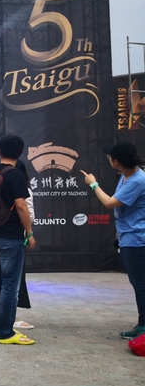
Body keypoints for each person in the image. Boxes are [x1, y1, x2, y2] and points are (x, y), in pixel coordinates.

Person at [81, 142, 145, 339]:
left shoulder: (137, 180)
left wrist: (94, 184)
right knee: (138, 283)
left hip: (137, 239)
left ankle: (143, 327)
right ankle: (142, 324)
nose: (108, 159)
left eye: (110, 157)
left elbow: (110, 203)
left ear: (116, 161)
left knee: (141, 284)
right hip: (128, 236)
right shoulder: (126, 176)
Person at [0, 135, 36, 345]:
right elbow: (21, 205)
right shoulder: (15, 175)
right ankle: (6, 332)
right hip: (11, 235)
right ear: (21, 153)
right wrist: (29, 233)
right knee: (10, 286)